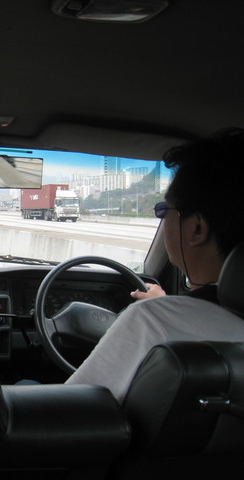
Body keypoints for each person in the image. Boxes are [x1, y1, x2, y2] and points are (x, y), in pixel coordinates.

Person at [65, 128, 244, 404]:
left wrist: (162, 310)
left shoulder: (152, 320)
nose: (162, 219)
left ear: (197, 228)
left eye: (164, 210)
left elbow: (73, 411)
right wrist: (170, 305)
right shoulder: (164, 315)